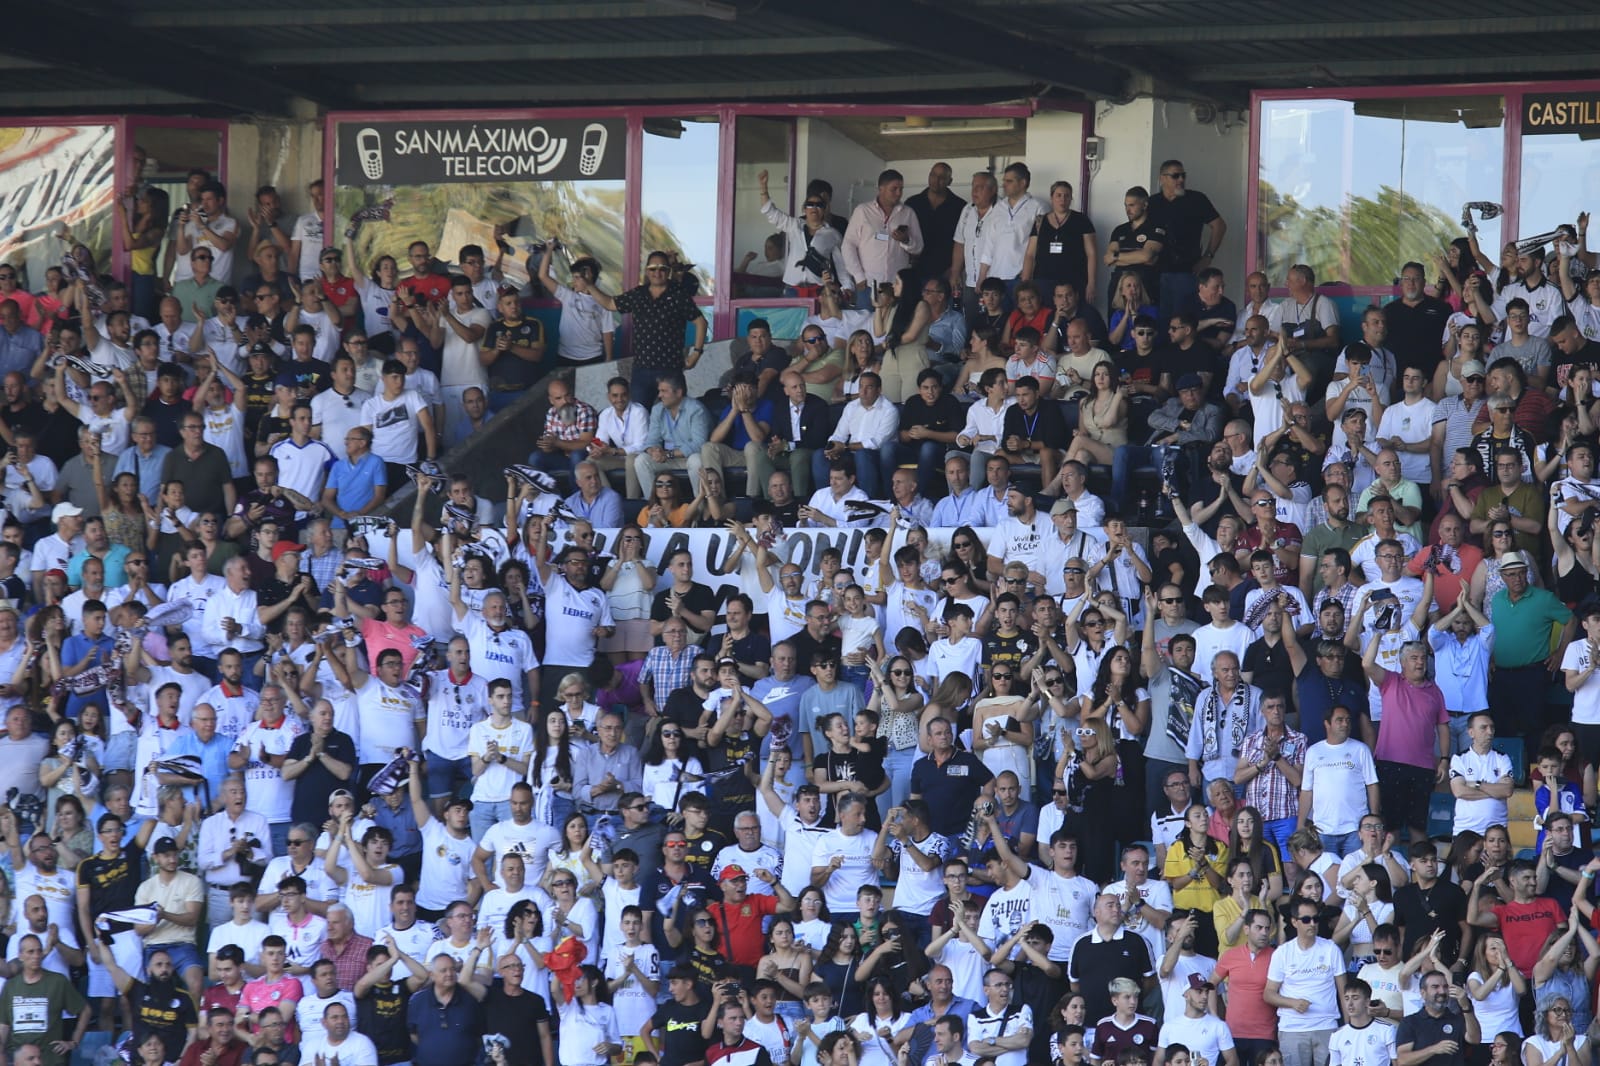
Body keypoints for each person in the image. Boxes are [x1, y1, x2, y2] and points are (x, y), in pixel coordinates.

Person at [1266, 896, 1347, 1066]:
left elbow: (1344, 993)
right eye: (1306, 919)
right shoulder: (1282, 953)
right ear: (1294, 922)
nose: (1312, 923)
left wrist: (1348, 1028)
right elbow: (1268, 994)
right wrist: (1293, 1003)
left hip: (1327, 1026)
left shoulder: (1331, 949)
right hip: (1292, 1028)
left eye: (1315, 919)